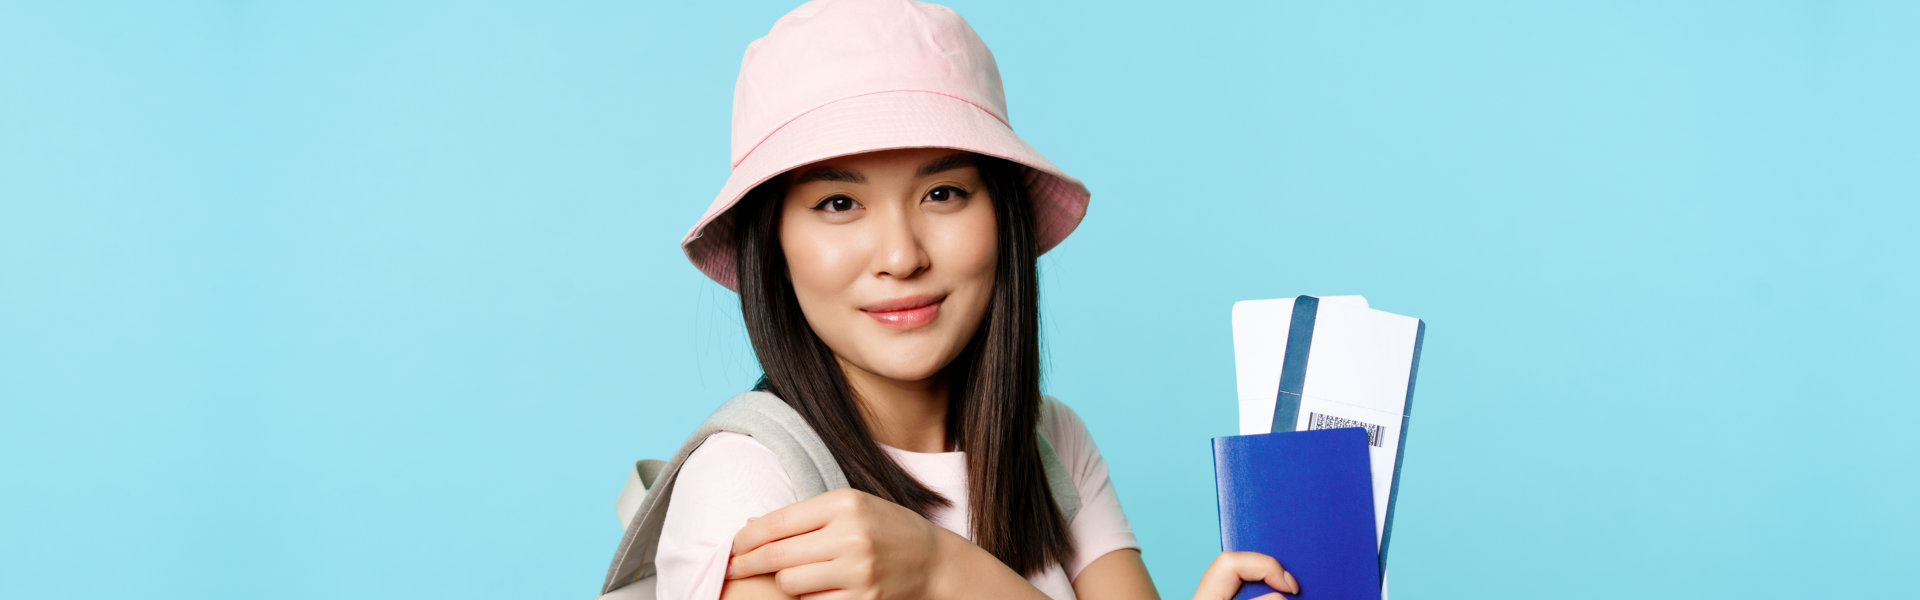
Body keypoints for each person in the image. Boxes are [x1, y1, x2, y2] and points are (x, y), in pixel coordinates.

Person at [654, 1, 1300, 598]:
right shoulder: (750, 479)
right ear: (774, 248)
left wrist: (945, 568)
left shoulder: (1051, 443)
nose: (902, 256)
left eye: (943, 193)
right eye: (839, 203)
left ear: (1002, 216)